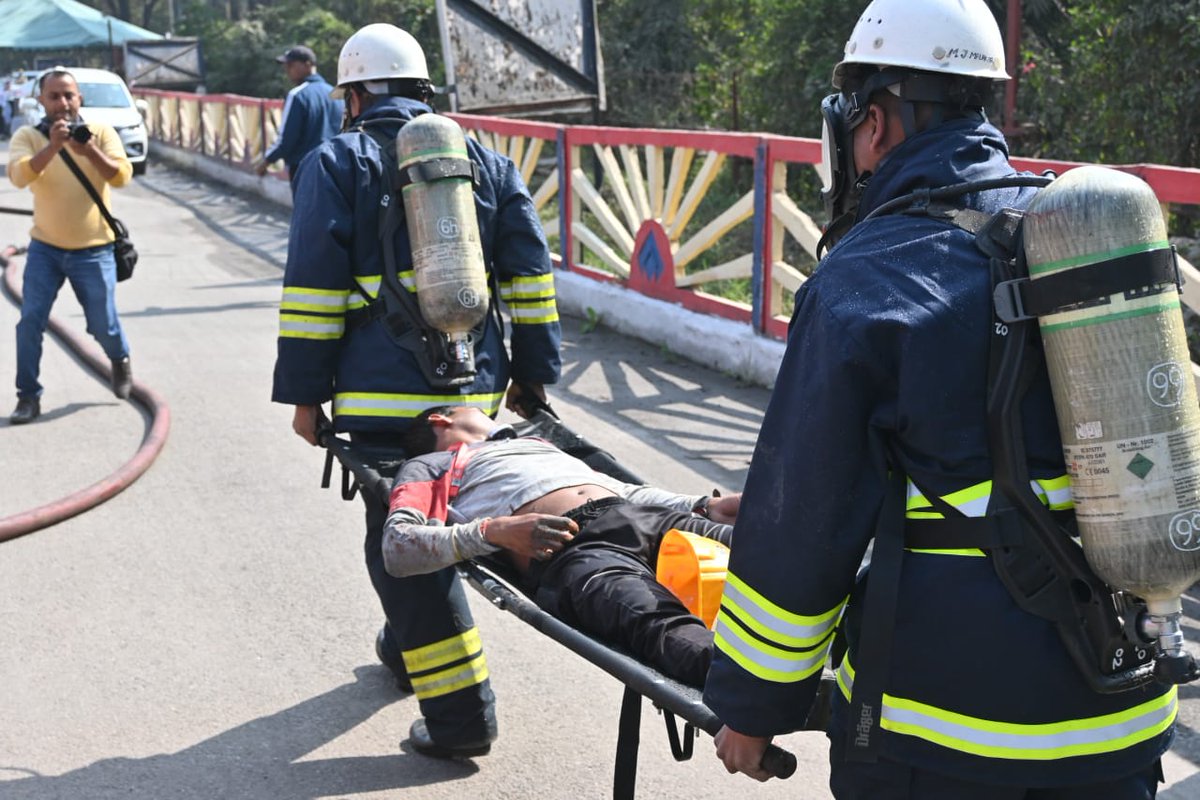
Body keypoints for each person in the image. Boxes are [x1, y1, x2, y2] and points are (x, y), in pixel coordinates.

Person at [704, 0, 1174, 797]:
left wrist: (750, 709)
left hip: (946, 731)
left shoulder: (866, 275)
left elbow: (804, 525)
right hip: (1119, 710)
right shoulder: (1076, 233)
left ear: (875, 125)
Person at [271, 23, 562, 760]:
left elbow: (313, 288)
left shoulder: (335, 159)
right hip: (472, 396)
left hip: (378, 400)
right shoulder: (487, 161)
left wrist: (306, 398)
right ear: (426, 91)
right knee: (430, 519)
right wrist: (532, 374)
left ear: (355, 94)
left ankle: (464, 716)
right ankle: (407, 653)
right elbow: (529, 276)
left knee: (403, 548)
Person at [381, 405, 741, 691]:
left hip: (643, 516)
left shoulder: (536, 444)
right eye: (472, 407)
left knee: (767, 558)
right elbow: (398, 546)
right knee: (664, 628)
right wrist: (494, 532)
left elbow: (621, 488)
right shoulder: (430, 465)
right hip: (577, 552)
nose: (488, 414)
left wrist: (704, 506)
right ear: (442, 419)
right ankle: (763, 690)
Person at [8, 68, 134, 424]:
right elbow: (18, 176)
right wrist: (53, 146)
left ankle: (119, 358)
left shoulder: (101, 133)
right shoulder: (29, 137)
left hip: (93, 249)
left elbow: (122, 176)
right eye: (54, 96)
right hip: (46, 248)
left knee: (102, 325)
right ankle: (28, 397)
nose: (62, 103)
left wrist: (89, 149)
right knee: (30, 321)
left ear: (80, 99)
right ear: (41, 101)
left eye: (69, 95)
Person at [254, 45, 342, 190]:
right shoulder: (336, 94)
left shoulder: (298, 95)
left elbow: (286, 140)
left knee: (306, 211)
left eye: (290, 65)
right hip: (335, 167)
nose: (287, 70)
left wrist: (266, 162)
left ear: (307, 64)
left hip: (305, 168)